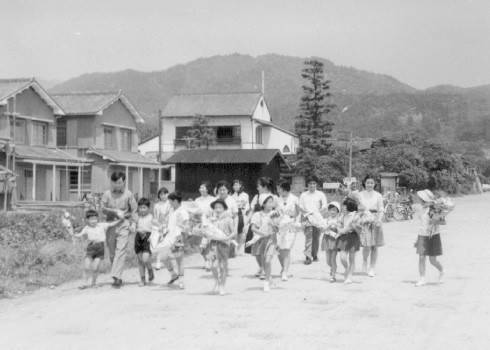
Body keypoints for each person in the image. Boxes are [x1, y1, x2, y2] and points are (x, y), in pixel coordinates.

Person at [101, 172, 138, 289]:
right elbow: (102, 209)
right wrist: (114, 212)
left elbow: (134, 210)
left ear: (124, 182)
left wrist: (134, 223)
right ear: (112, 182)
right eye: (115, 183)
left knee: (121, 250)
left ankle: (116, 277)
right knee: (112, 252)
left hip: (124, 224)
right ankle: (117, 275)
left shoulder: (129, 194)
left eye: (120, 182)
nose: (117, 185)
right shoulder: (107, 194)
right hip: (111, 224)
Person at [74, 210, 122, 289]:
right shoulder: (86, 228)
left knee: (95, 267)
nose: (94, 221)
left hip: (100, 248)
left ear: (97, 219)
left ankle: (93, 283)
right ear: (87, 220)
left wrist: (120, 219)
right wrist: (74, 234)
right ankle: (84, 283)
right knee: (86, 266)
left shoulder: (101, 225)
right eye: (91, 219)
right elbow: (79, 235)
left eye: (95, 218)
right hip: (90, 248)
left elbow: (111, 224)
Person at [245, 177, 278, 279]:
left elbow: (277, 212)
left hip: (268, 226)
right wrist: (247, 223)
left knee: (266, 250)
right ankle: (261, 267)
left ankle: (264, 269)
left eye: (259, 185)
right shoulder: (256, 197)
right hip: (256, 224)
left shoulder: (274, 197)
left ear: (264, 186)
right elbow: (251, 210)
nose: (257, 188)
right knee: (256, 251)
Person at [413, 189, 446, 287]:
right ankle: (422, 278)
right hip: (422, 235)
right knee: (421, 257)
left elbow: (443, 222)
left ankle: (442, 270)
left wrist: (435, 222)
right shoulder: (420, 209)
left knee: (432, 260)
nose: (420, 201)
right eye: (420, 199)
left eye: (422, 199)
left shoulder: (435, 209)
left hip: (433, 235)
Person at [249, 196, 279, 292]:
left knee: (267, 261)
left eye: (272, 202)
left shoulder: (275, 214)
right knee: (263, 262)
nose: (272, 204)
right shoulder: (257, 215)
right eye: (269, 202)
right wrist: (262, 233)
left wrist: (273, 224)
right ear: (263, 204)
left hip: (271, 240)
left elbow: (277, 229)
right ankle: (269, 279)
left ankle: (266, 283)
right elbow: (253, 228)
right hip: (261, 241)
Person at [207, 199, 236, 296]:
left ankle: (222, 286)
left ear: (224, 208)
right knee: (213, 265)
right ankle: (217, 281)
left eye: (220, 207)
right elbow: (207, 232)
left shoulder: (229, 219)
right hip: (214, 244)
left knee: (223, 266)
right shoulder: (211, 220)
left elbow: (234, 232)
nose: (218, 209)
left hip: (224, 245)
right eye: (216, 208)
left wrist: (227, 238)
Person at [357, 175, 385, 277]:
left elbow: (381, 209)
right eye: (368, 182)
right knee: (366, 245)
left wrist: (379, 220)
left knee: (374, 246)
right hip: (364, 220)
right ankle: (364, 260)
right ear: (364, 183)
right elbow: (357, 209)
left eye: (372, 183)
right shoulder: (359, 195)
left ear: (374, 184)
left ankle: (372, 267)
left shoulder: (378, 195)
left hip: (375, 220)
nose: (370, 185)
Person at [163, 191, 190, 289]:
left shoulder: (183, 211)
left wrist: (182, 236)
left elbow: (186, 226)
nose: (169, 203)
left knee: (179, 260)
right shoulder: (171, 210)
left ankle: (181, 281)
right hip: (168, 237)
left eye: (170, 201)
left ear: (175, 201)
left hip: (178, 238)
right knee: (162, 257)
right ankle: (173, 274)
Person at [299, 176, 327, 265]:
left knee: (316, 237)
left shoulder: (320, 194)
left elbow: (324, 206)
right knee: (308, 237)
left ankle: (314, 254)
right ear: (307, 185)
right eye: (310, 183)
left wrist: (318, 214)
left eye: (313, 183)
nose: (312, 185)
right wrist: (307, 213)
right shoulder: (303, 195)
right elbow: (301, 207)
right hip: (307, 217)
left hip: (317, 217)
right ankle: (307, 256)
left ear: (316, 185)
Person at [276, 180, 300, 281]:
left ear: (284, 189)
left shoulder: (294, 199)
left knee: (286, 248)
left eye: (279, 189)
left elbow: (299, 212)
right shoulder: (278, 199)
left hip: (290, 224)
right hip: (280, 225)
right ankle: (283, 268)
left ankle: (285, 272)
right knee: (279, 249)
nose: (277, 191)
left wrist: (297, 222)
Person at [337, 198, 360, 284]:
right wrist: (340, 229)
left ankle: (349, 276)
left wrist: (353, 227)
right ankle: (346, 268)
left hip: (353, 237)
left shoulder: (356, 216)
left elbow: (358, 228)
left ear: (349, 206)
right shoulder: (342, 215)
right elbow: (338, 224)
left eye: (344, 206)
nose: (342, 207)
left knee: (352, 258)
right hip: (344, 237)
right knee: (342, 257)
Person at [194, 181, 216, 269]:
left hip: (210, 223)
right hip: (200, 224)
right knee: (201, 245)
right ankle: (206, 261)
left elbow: (216, 212)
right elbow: (194, 212)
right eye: (200, 188)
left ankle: (209, 262)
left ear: (208, 189)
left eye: (203, 187)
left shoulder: (213, 199)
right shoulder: (197, 200)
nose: (201, 189)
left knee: (209, 244)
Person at [135, 197, 155, 287]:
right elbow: (133, 227)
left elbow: (156, 228)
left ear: (148, 208)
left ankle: (150, 269)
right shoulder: (136, 218)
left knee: (145, 259)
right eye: (140, 207)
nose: (142, 209)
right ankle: (142, 280)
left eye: (144, 207)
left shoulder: (151, 217)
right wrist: (132, 227)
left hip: (148, 238)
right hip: (138, 238)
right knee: (140, 261)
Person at [321, 202, 341, 283]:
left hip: (335, 241)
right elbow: (322, 230)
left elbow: (340, 230)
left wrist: (335, 225)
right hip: (327, 239)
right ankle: (333, 269)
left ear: (338, 211)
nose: (332, 212)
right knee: (328, 260)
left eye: (334, 210)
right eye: (330, 210)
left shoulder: (339, 220)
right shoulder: (326, 220)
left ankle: (333, 275)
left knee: (333, 259)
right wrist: (326, 227)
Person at [153, 187, 172, 270]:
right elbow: (154, 217)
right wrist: (158, 225)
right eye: (161, 194)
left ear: (167, 194)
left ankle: (166, 259)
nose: (163, 196)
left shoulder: (170, 204)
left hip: (168, 226)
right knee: (158, 243)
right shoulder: (157, 205)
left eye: (164, 194)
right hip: (158, 227)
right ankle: (158, 262)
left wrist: (166, 226)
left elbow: (171, 216)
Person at [231, 179, 250, 254]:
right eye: (234, 185)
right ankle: (235, 250)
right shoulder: (231, 195)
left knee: (242, 232)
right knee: (235, 231)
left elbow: (248, 205)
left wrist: (244, 207)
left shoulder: (245, 195)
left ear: (240, 185)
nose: (235, 186)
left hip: (242, 214)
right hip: (235, 215)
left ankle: (241, 249)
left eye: (236, 185)